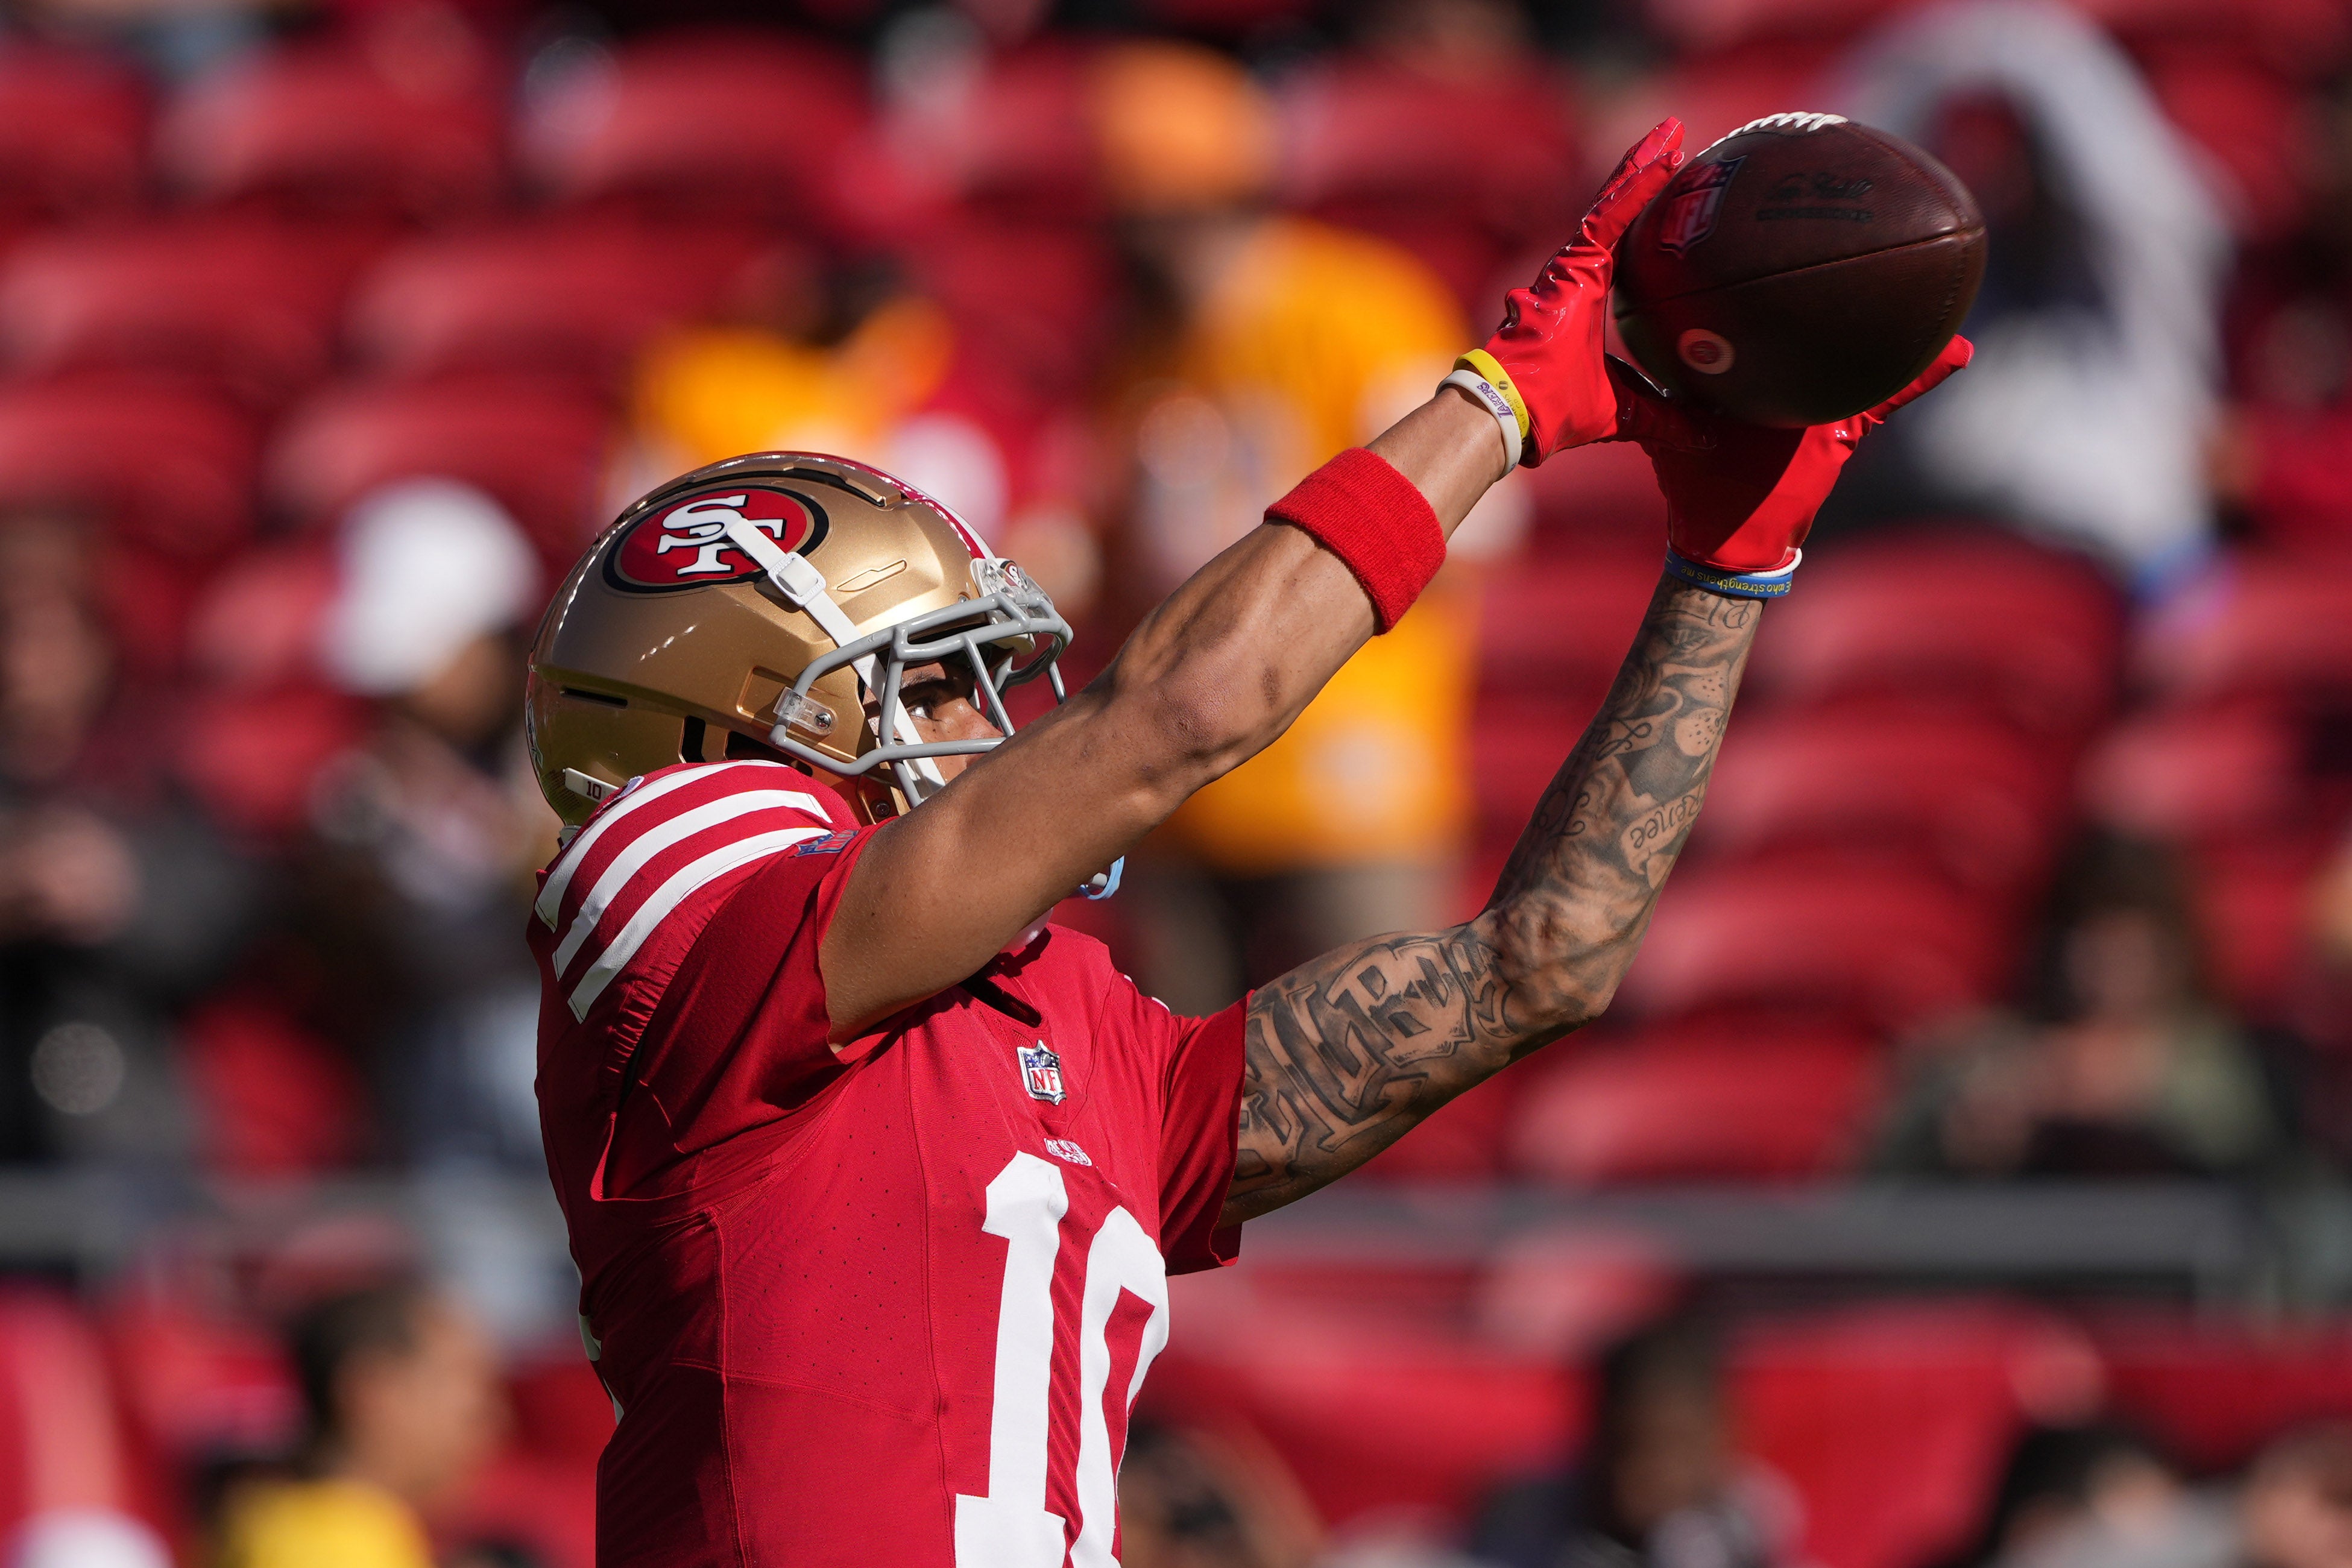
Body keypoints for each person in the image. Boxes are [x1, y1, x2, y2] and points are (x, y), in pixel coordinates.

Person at [523, 119, 1970, 1563]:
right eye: (926, 675)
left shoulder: (1081, 1031)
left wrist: (1725, 575)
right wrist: (1504, 397)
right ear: (744, 700)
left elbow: (1541, 965)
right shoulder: (669, 882)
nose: (979, 714)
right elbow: (1181, 714)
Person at [1874, 833, 2278, 1180]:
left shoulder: (2228, 1056)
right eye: (2090, 937)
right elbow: (1879, 1180)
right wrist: (1956, 1125)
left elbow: (2245, 1134)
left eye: (2132, 944)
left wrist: (2126, 1085)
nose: (2109, 964)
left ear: (2175, 952)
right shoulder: (1998, 1050)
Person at [214, 1283, 508, 1568]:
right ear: (372, 1390)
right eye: (466, 1379)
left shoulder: (301, 1527)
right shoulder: (329, 1551)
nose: (493, 1417)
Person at [1470, 1318, 1796, 1568]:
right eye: (1643, 1445)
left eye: (1683, 1445)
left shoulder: (1748, 1522)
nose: (1663, 1471)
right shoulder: (1528, 1515)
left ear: (1725, 1434)